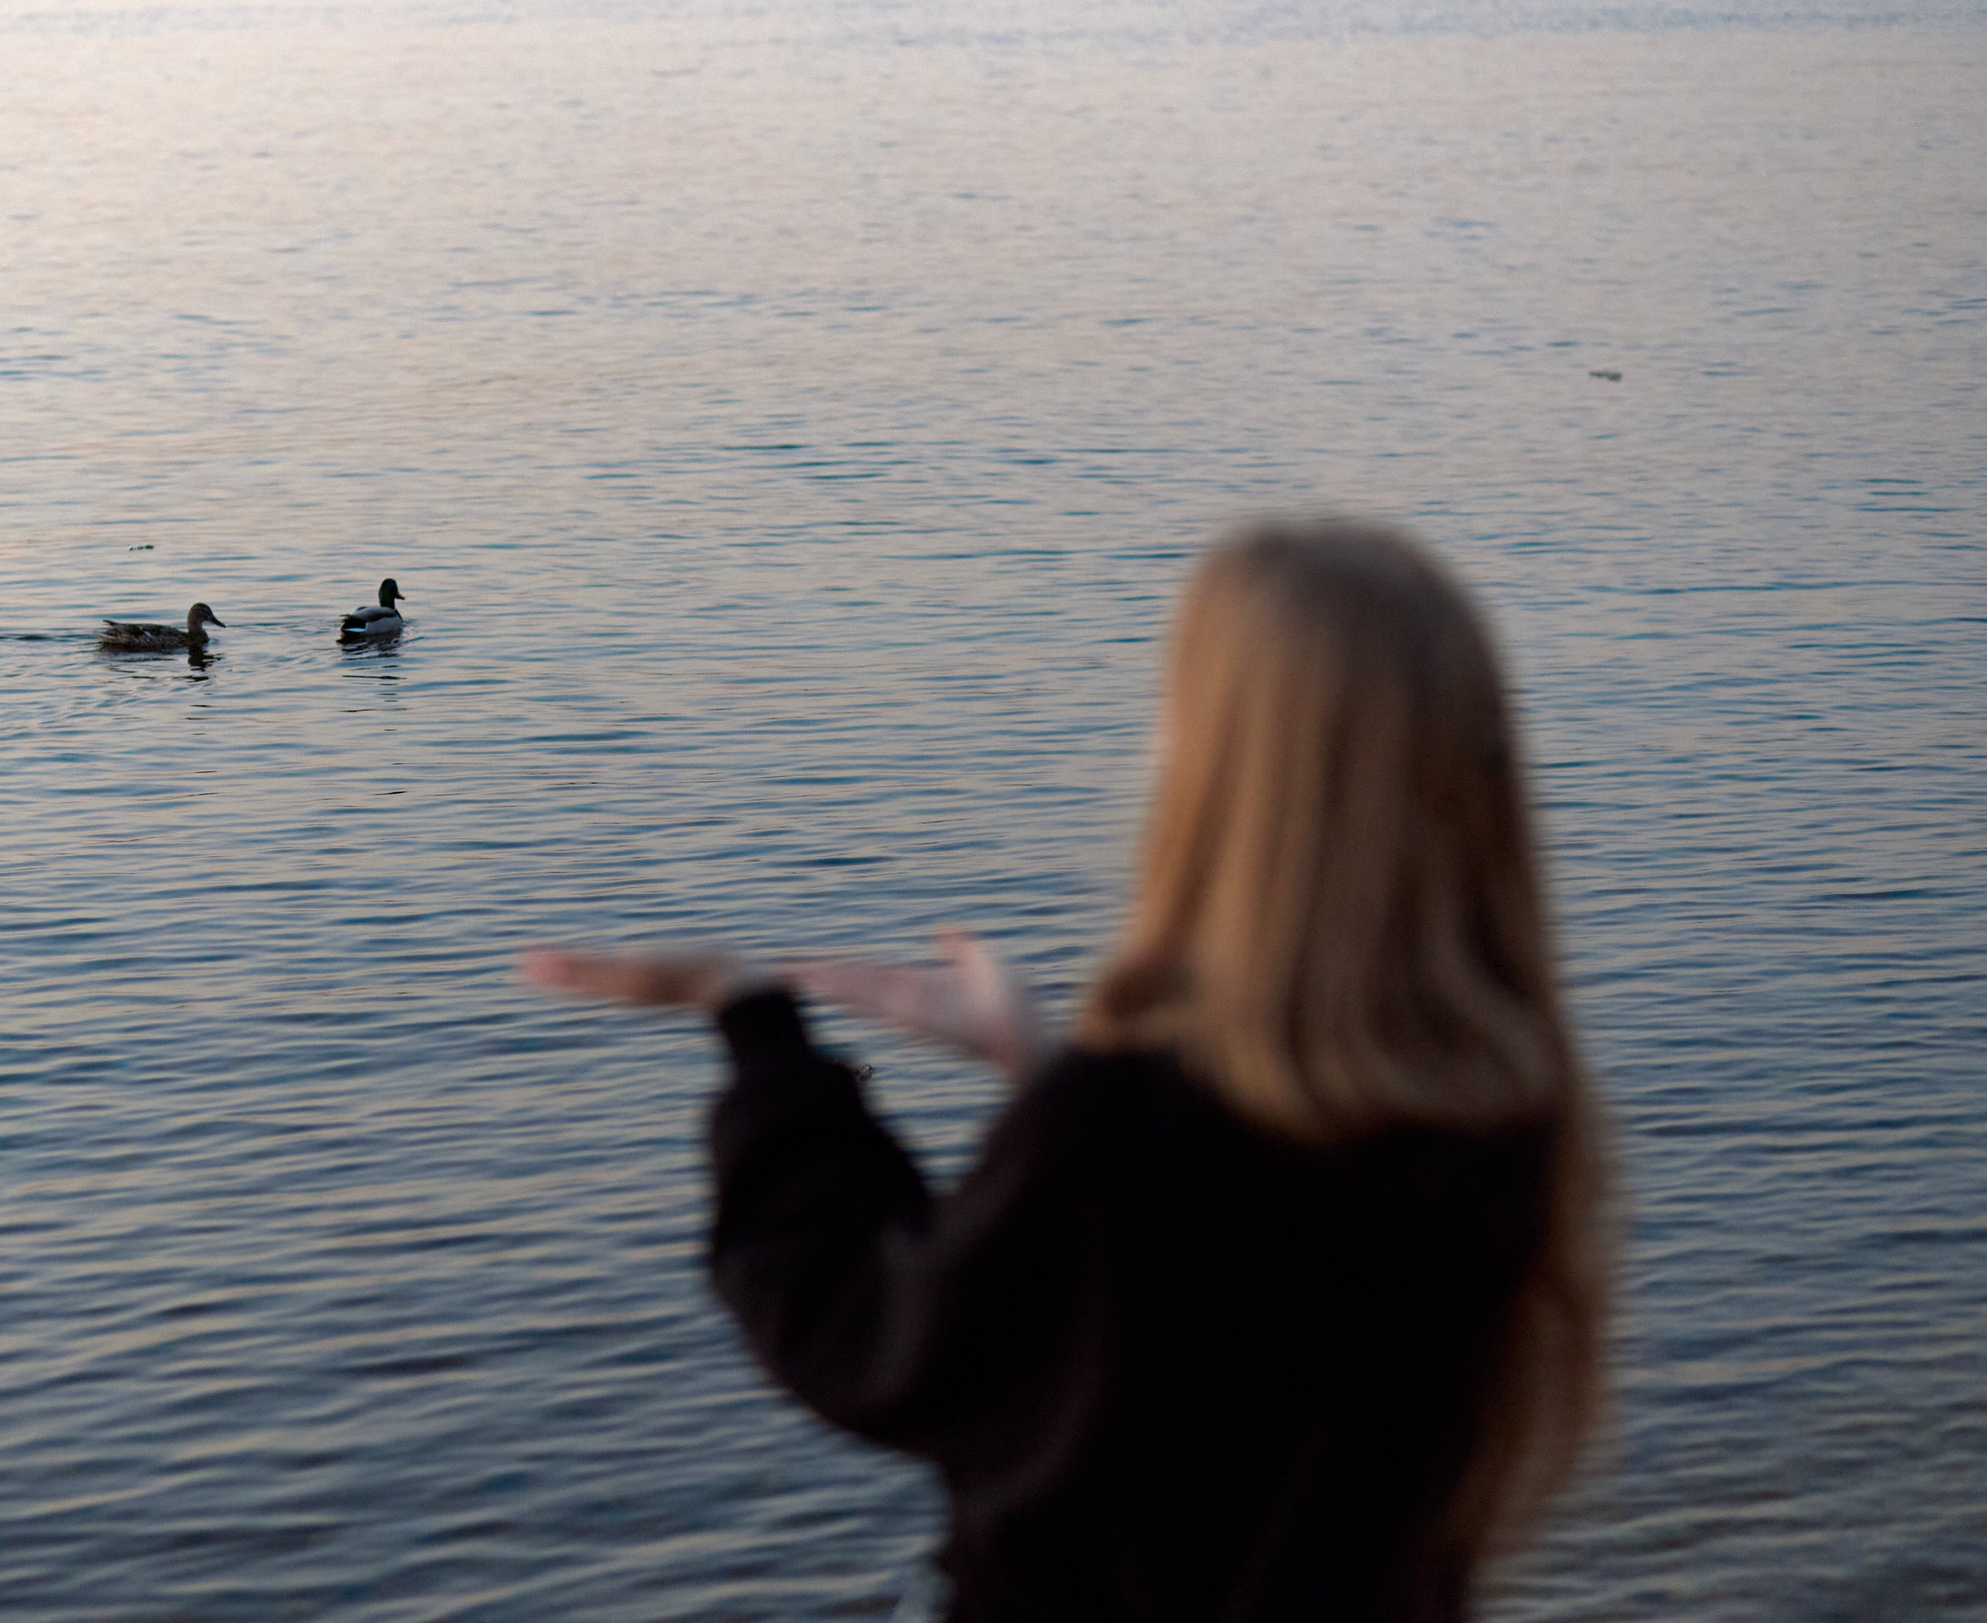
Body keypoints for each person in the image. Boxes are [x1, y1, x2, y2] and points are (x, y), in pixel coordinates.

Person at [521, 521, 1609, 1622]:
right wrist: (1036, 1065)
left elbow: (872, 1342)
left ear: (1228, 775)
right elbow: (1228, 1301)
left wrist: (757, 1030)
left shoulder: (1119, 1128)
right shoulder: (1504, 1112)